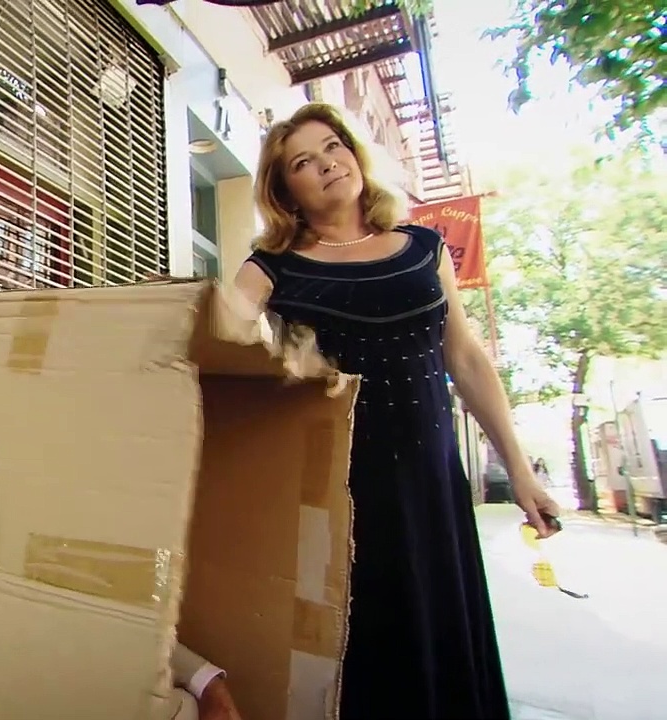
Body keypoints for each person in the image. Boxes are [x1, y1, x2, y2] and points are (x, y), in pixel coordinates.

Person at [224, 102, 561, 719]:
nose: (327, 164)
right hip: (344, 491)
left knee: (442, 640)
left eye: (333, 147)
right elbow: (218, 343)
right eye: (303, 162)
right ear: (286, 192)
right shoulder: (271, 266)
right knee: (368, 658)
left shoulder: (424, 247)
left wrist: (520, 470)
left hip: (433, 482)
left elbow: (466, 359)